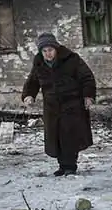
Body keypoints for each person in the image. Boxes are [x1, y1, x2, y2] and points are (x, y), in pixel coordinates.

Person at [21, 33, 96, 176]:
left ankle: (70, 166)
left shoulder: (71, 59)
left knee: (69, 136)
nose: (47, 54)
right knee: (55, 137)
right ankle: (62, 166)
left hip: (72, 104)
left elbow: (87, 77)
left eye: (50, 50)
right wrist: (29, 95)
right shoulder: (39, 63)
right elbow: (32, 81)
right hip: (52, 106)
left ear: (56, 49)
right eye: (44, 51)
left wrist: (88, 96)